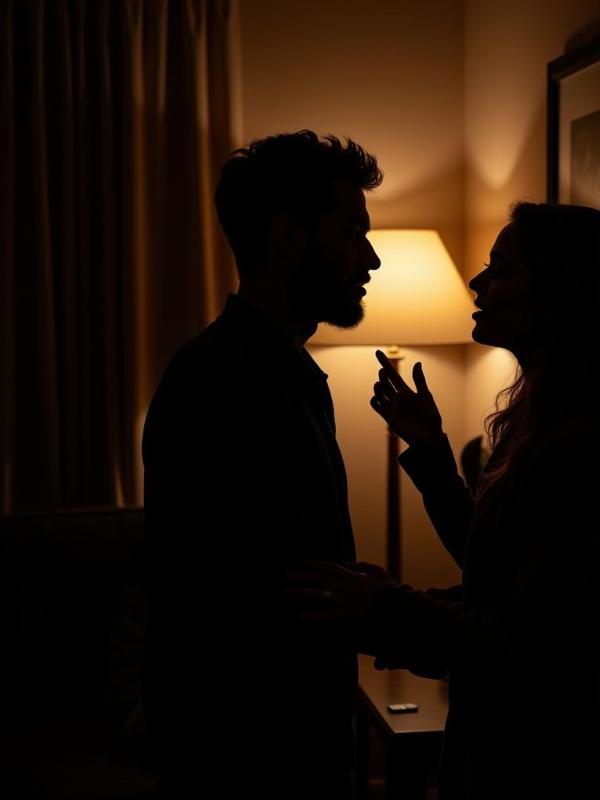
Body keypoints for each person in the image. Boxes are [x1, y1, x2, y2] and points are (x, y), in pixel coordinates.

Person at [289, 202, 600, 798]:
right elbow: (495, 570)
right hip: (511, 745)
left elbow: (525, 640)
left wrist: (387, 607)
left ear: (557, 293)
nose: (477, 283)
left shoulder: (585, 445)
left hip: (546, 766)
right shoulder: (536, 423)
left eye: (501, 269)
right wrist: (432, 453)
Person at [141, 131, 382, 799]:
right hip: (256, 758)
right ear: (288, 235)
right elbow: (248, 605)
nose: (372, 257)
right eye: (352, 231)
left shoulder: (274, 374)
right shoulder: (224, 386)